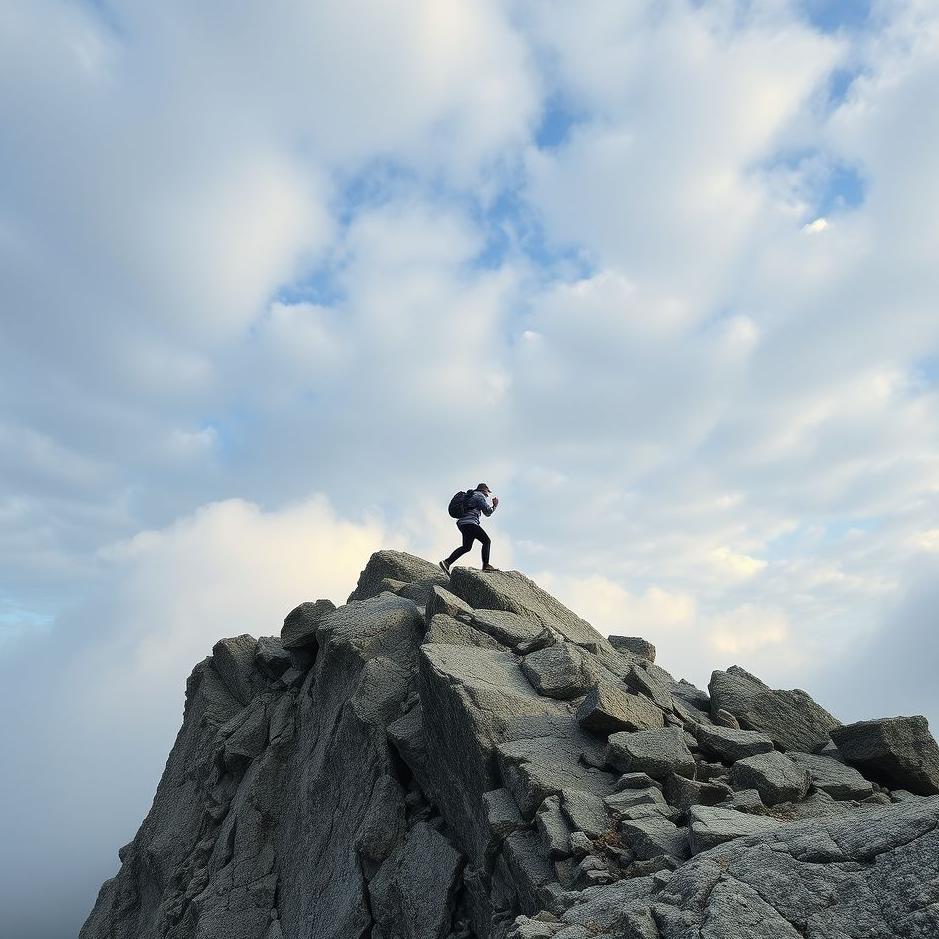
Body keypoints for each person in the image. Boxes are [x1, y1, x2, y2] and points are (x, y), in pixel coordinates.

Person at [440, 483, 500, 574]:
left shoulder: (470, 495)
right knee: (487, 541)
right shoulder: (480, 496)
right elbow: (487, 512)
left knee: (466, 547)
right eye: (488, 492)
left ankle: (447, 562)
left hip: (462, 524)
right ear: (484, 490)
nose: (488, 495)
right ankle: (486, 565)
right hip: (470, 523)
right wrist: (494, 505)